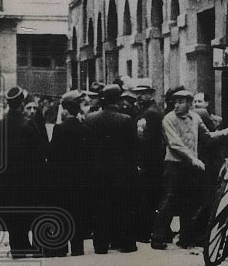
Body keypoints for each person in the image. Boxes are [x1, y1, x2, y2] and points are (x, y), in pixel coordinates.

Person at [151, 87, 228, 250]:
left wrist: (227, 132)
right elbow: (175, 144)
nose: (176, 105)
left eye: (180, 102)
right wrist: (193, 158)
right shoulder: (168, 119)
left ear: (189, 104)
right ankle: (157, 238)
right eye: (175, 102)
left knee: (190, 202)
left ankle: (186, 238)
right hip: (174, 165)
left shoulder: (195, 118)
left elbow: (207, 137)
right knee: (169, 200)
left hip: (191, 167)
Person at [0, 87, 46, 258]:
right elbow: (39, 153)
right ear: (22, 103)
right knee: (25, 210)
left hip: (6, 176)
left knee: (12, 210)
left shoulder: (0, 124)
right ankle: (23, 245)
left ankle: (18, 246)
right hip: (26, 177)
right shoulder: (28, 124)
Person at [85, 84, 138, 253]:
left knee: (101, 207)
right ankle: (126, 243)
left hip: (97, 171)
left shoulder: (90, 118)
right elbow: (132, 149)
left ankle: (100, 245)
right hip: (121, 172)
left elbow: (88, 148)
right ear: (118, 99)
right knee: (123, 207)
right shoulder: (126, 119)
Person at [47, 90, 91, 256]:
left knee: (63, 213)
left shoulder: (59, 129)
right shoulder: (85, 129)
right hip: (80, 180)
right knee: (78, 212)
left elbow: (52, 155)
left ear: (65, 110)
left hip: (63, 180)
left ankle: (60, 248)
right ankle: (77, 248)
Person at [132, 79, 166, 243]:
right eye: (137, 93)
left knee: (147, 198)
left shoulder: (149, 113)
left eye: (143, 93)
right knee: (151, 197)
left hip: (149, 162)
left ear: (151, 94)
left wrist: (140, 163)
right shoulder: (151, 109)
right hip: (154, 161)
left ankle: (145, 233)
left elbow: (144, 139)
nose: (139, 96)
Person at [191, 92, 228, 238]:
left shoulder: (212, 118)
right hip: (206, 161)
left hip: (208, 161)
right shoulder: (199, 115)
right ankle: (202, 233)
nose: (197, 104)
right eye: (195, 101)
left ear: (207, 103)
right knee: (206, 198)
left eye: (200, 101)